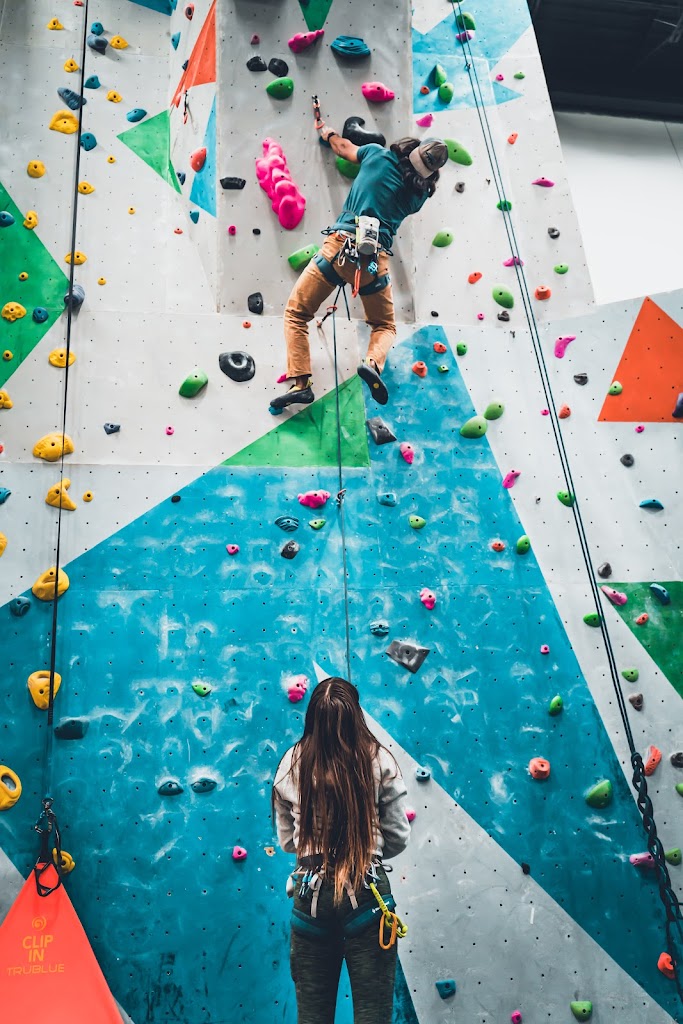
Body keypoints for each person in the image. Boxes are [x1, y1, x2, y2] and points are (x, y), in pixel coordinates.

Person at [270, 129, 449, 412]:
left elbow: (343, 148)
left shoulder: (376, 155)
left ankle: (301, 385)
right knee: (384, 325)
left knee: (297, 313)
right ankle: (372, 363)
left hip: (339, 248)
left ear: (411, 148)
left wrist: (325, 132)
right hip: (374, 262)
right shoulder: (418, 196)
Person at [272, 676, 412, 1024]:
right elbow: (397, 836)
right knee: (372, 1015)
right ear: (356, 715)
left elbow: (289, 841)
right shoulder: (379, 758)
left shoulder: (292, 760)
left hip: (311, 893)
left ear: (312, 717)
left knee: (313, 1017)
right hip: (367, 892)